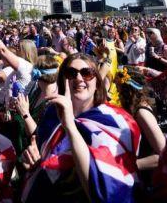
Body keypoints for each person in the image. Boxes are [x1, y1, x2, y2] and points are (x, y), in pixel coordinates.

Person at [21, 53, 140, 202]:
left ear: (97, 81)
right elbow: (45, 156)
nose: (78, 78)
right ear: (63, 81)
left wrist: (70, 125)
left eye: (86, 73)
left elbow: (103, 192)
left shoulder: (115, 121)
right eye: (71, 73)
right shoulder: (52, 113)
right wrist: (35, 162)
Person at [0, 16, 35, 95]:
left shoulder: (25, 66)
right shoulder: (26, 66)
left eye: (18, 48)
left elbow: (2, 50)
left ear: (26, 52)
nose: (16, 49)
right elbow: (1, 52)